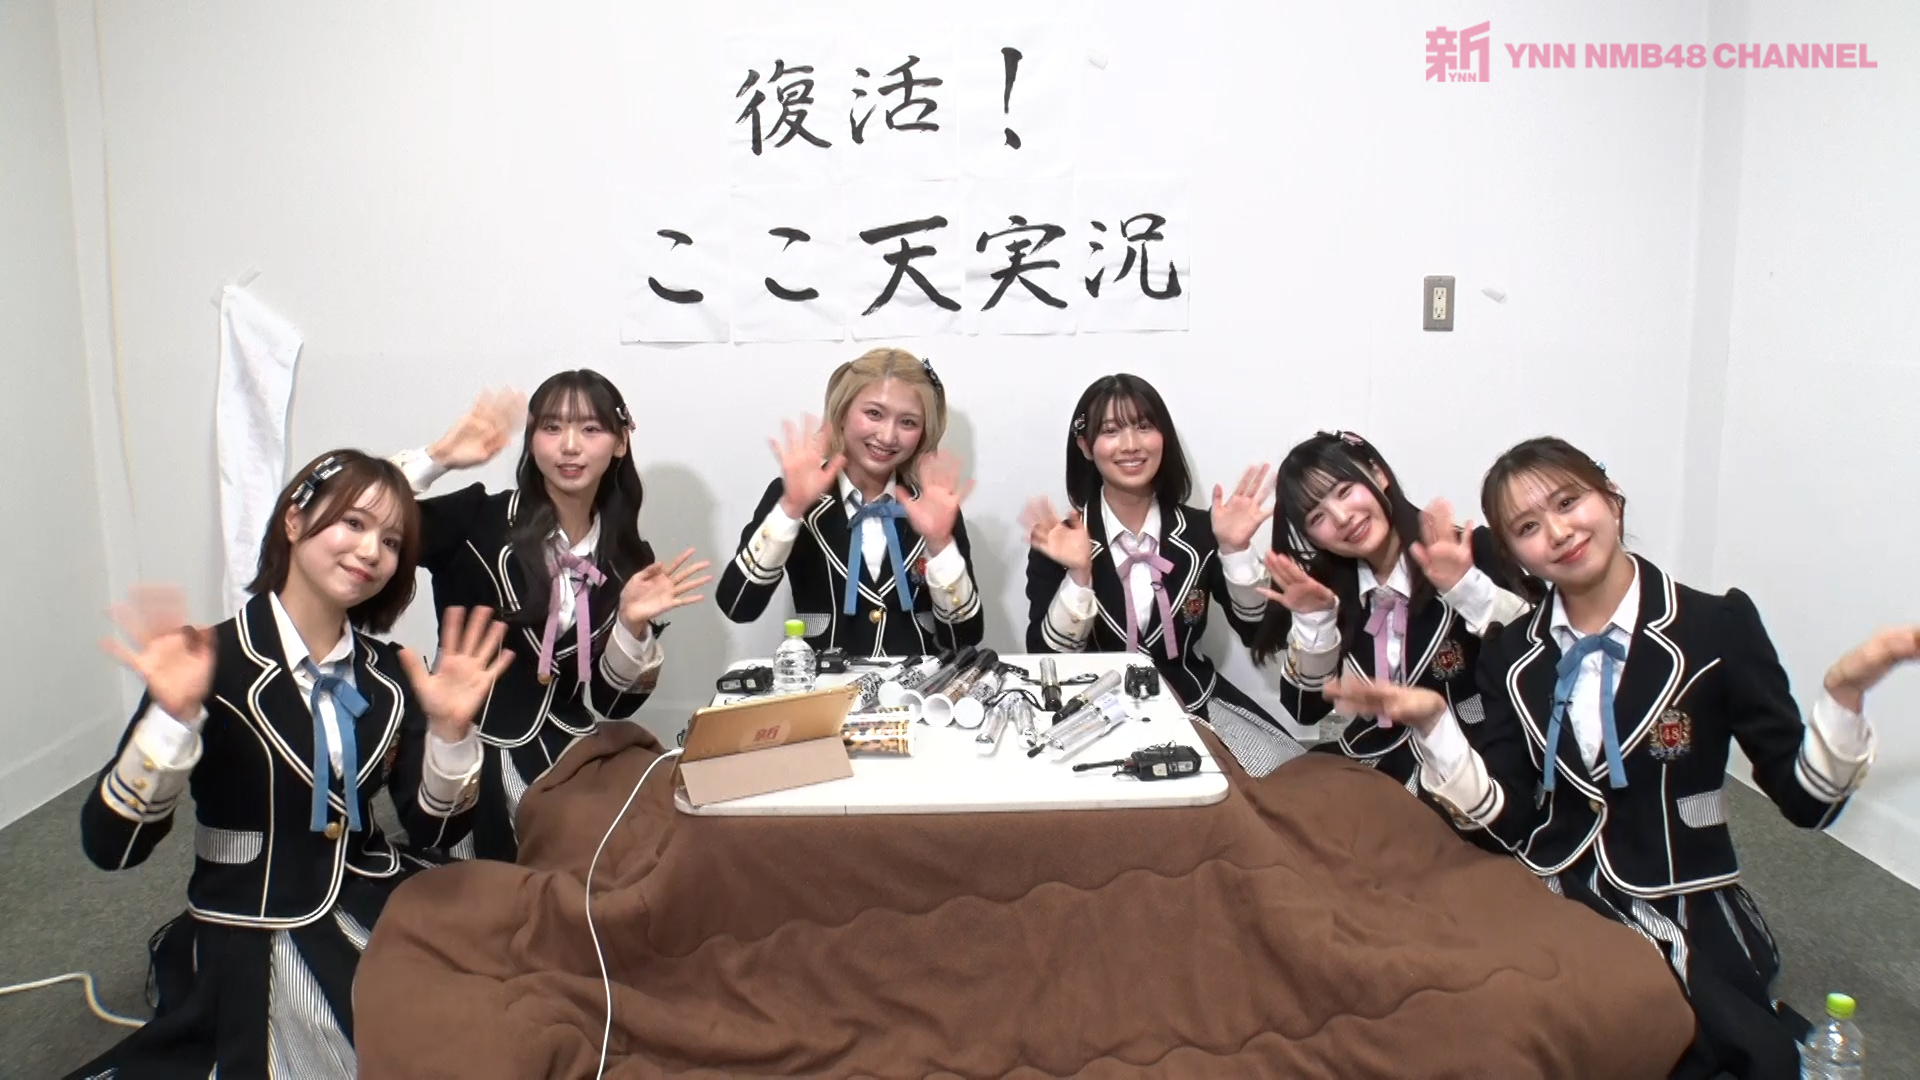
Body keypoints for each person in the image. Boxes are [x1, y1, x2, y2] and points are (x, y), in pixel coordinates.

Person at [1324, 436, 1919, 1079]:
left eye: (1568, 501)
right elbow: (1507, 821)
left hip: (1679, 897)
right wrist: (1436, 726)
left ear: (1611, 497)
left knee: (1678, 1039)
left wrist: (1843, 694)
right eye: (1527, 527)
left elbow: (1809, 804)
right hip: (1552, 884)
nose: (1558, 532)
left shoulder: (1717, 626)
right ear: (1513, 551)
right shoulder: (1511, 654)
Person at [73, 450, 509, 1079]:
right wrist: (171, 721)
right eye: (353, 523)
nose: (371, 551)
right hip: (257, 925)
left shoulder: (391, 675)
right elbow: (111, 848)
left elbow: (434, 828)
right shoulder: (205, 659)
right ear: (295, 521)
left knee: (509, 988)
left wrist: (450, 733)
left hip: (376, 893)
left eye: (391, 541)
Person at [396, 371, 709, 860]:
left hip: (572, 754)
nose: (569, 446)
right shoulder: (477, 520)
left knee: (663, 838)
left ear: (620, 442)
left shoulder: (628, 556)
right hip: (470, 751)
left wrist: (630, 626)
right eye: (551, 427)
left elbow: (613, 703)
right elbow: (350, 519)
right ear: (531, 439)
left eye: (590, 428)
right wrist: (438, 458)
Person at [1023, 374, 1301, 776]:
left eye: (1143, 426)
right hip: (1094, 716)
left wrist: (1236, 550)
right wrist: (1080, 574)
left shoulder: (1205, 530)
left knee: (1286, 785)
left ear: (1163, 437)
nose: (1130, 444)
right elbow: (1047, 659)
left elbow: (1261, 634)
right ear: (1085, 445)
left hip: (1197, 706)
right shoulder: (1059, 539)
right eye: (1111, 430)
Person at [1252, 430, 1530, 791]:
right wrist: (1314, 621)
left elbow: (1535, 660)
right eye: (1317, 517)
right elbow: (1304, 709)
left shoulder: (1467, 551)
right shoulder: (1324, 588)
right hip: (1370, 759)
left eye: (1344, 491)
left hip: (1468, 759)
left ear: (1378, 473)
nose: (1342, 517)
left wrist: (1465, 588)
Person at [717, 348, 984, 656]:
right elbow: (738, 606)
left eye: (908, 422)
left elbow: (964, 640)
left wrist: (940, 545)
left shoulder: (935, 507)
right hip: (822, 682)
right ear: (842, 412)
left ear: (924, 433)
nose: (887, 436)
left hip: (919, 683)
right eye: (874, 414)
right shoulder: (793, 495)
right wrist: (790, 510)